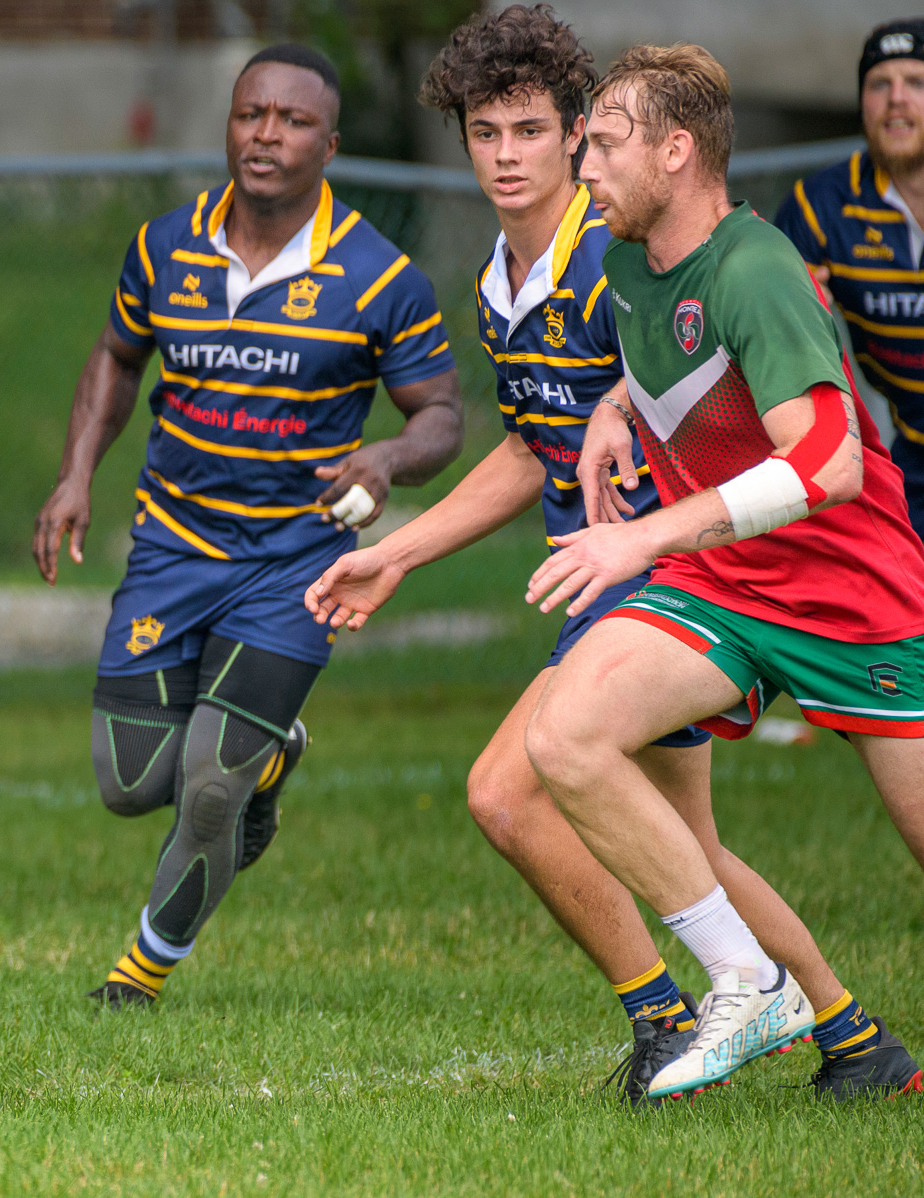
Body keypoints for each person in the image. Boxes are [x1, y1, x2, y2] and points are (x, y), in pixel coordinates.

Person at [307, 4, 918, 1106]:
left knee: (615, 814)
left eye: (551, 133)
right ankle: (768, 1006)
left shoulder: (678, 255)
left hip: (791, 578)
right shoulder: (564, 273)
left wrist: (627, 460)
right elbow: (544, 433)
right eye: (487, 133)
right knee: (574, 776)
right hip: (694, 580)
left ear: (637, 143)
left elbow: (805, 434)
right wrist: (412, 545)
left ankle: (799, 1027)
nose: (525, 155)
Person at [520, 43, 924, 1102]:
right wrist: (614, 408)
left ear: (677, 151)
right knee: (563, 735)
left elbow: (829, 461)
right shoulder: (623, 263)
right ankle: (747, 977)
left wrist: (643, 537)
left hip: (857, 597)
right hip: (724, 581)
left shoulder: (757, 267)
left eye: (602, 143)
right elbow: (676, 356)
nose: (581, 162)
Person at [34, 44, 464, 1008]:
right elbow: (115, 357)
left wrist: (389, 459)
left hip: (295, 563)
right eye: (251, 114)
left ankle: (137, 977)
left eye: (293, 120)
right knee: (131, 781)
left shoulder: (376, 274)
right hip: (170, 549)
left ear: (331, 144)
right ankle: (275, 750)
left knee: (211, 789)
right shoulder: (163, 247)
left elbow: (441, 413)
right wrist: (74, 477)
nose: (267, 134)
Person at [774, 19, 924, 535]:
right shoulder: (821, 208)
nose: (897, 100)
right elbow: (765, 316)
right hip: (913, 456)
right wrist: (799, 295)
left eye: (916, 82)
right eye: (879, 84)